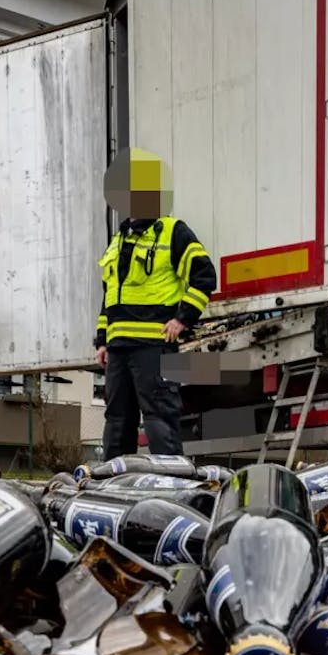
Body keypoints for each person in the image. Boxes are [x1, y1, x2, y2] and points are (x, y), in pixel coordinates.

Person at [93, 149, 217, 459]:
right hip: (119, 349)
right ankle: (114, 486)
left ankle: (172, 487)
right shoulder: (118, 240)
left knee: (159, 419)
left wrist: (182, 320)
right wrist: (103, 341)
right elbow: (110, 296)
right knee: (117, 423)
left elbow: (204, 276)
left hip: (154, 346)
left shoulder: (173, 231)